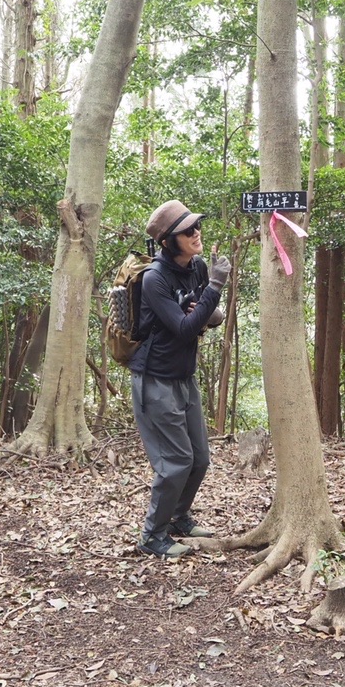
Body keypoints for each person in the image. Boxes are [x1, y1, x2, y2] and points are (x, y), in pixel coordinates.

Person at [129, 200, 232, 558]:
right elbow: (187, 328)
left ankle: (178, 516)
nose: (196, 233)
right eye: (187, 230)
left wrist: (207, 305)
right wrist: (215, 287)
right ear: (168, 241)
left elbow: (207, 316)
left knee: (199, 458)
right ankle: (151, 535)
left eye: (197, 226)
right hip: (154, 379)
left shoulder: (197, 268)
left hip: (184, 377)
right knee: (176, 462)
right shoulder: (155, 278)